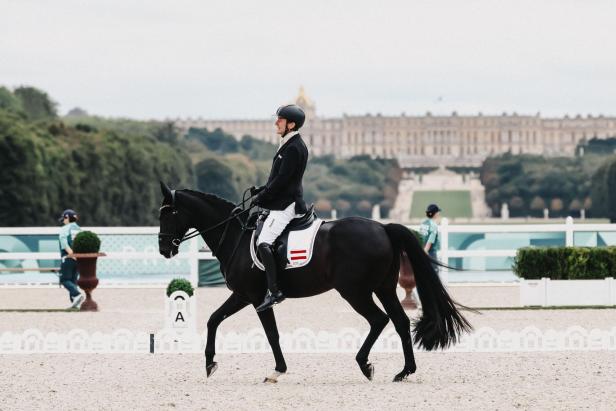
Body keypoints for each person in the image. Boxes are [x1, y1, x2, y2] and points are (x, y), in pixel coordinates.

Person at [251, 104, 309, 312]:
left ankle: (275, 291)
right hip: (281, 199)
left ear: (291, 124)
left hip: (286, 204)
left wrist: (263, 196)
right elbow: (279, 177)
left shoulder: (294, 147)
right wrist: (262, 190)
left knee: (264, 241)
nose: (276, 122)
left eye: (280, 120)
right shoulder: (288, 143)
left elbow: (283, 181)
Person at [58, 209, 84, 308]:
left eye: (64, 219)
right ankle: (76, 305)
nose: (63, 221)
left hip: (68, 257)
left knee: (64, 279)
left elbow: (64, 244)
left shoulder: (65, 228)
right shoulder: (79, 229)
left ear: (67, 217)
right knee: (73, 281)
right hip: (78, 259)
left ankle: (77, 295)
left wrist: (71, 255)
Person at [419, 204, 441, 271]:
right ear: (435, 213)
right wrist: (426, 251)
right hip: (430, 252)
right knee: (434, 271)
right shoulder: (434, 225)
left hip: (421, 249)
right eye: (438, 212)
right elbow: (430, 240)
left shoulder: (423, 222)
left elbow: (421, 236)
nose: (439, 213)